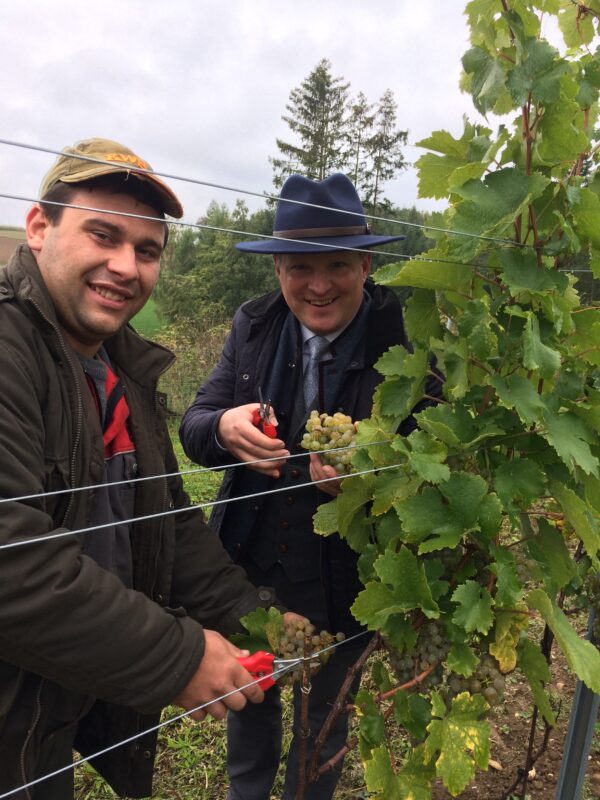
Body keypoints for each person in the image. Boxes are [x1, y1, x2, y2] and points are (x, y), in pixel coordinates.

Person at [0, 138, 294, 800]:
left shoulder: (117, 369)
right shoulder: (9, 350)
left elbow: (164, 520)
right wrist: (182, 657)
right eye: (102, 235)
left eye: (147, 250)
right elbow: (11, 563)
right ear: (39, 227)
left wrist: (254, 620)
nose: (124, 265)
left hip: (37, 716)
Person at [179, 172, 442, 800]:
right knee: (251, 707)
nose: (318, 284)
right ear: (277, 271)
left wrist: (369, 489)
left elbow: (437, 464)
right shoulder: (254, 324)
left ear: (366, 264)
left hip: (350, 577)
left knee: (324, 726)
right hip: (252, 564)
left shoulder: (407, 341)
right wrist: (224, 427)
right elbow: (193, 426)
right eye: (300, 267)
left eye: (337, 266)